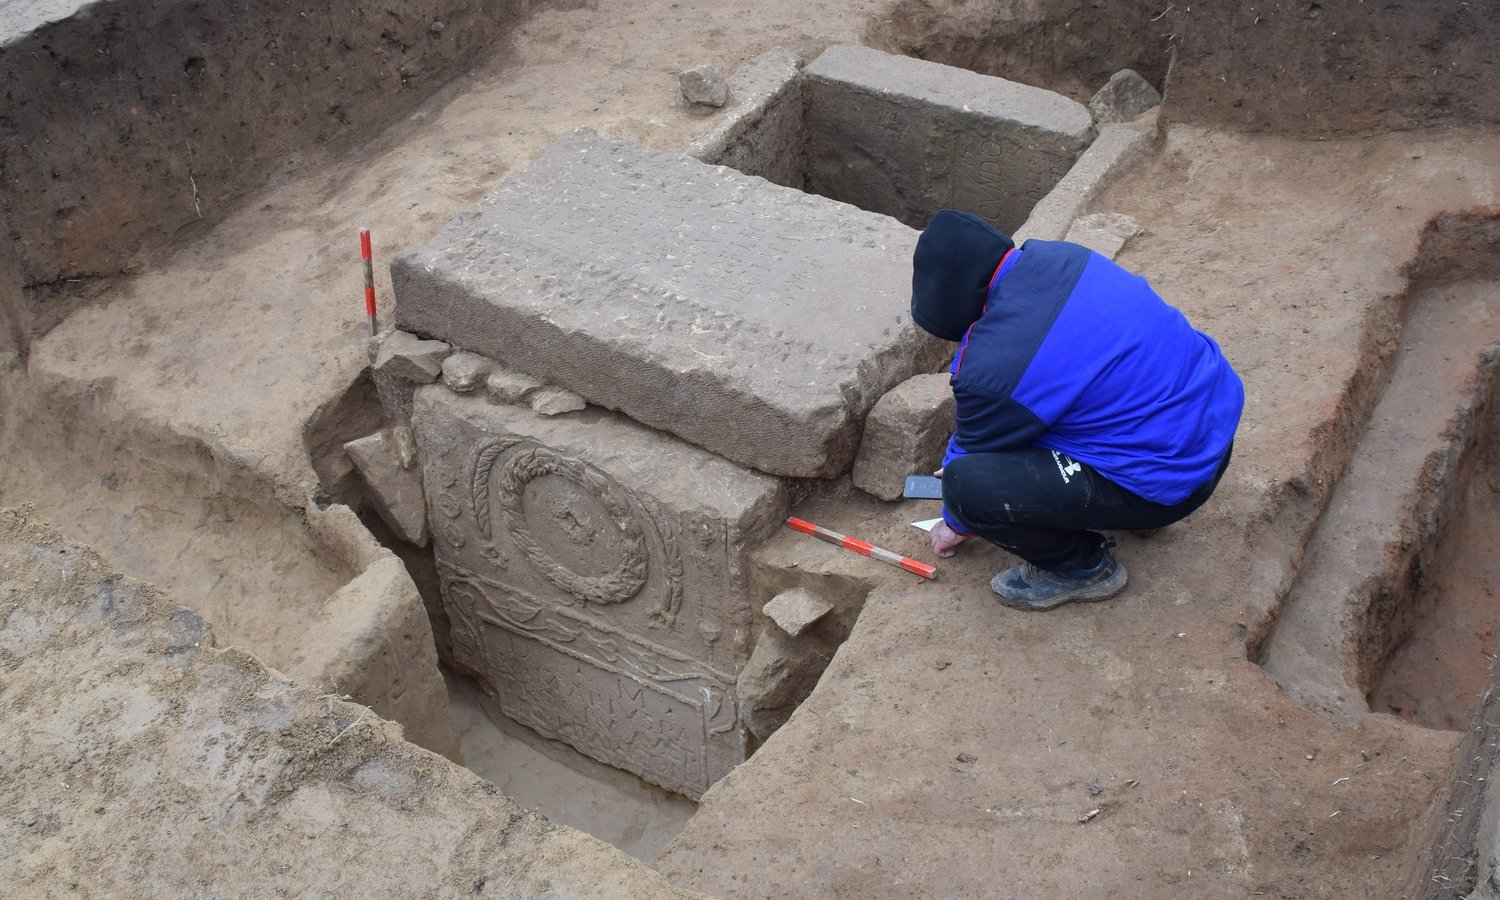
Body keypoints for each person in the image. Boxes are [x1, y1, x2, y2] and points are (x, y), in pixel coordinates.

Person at [911, 209, 1243, 611]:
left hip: (1171, 481)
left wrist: (956, 521)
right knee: (1061, 408)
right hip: (1213, 428)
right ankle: (1137, 505)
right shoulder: (1062, 257)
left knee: (967, 487)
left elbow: (974, 450)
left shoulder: (994, 365)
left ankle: (1082, 568)